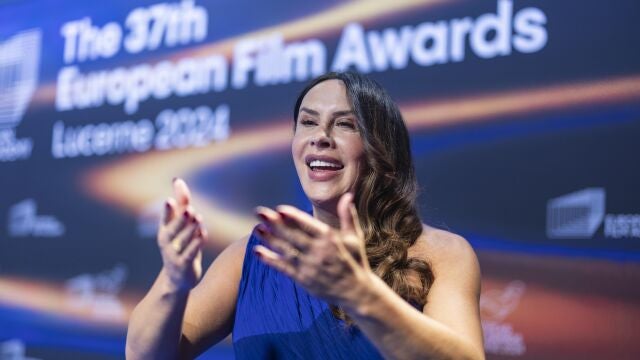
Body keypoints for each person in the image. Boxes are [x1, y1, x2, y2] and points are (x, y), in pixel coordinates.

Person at [126, 72, 485, 359]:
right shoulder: (252, 256)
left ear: (381, 147)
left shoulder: (441, 255)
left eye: (345, 124)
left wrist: (360, 295)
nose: (321, 137)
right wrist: (173, 281)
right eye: (308, 122)